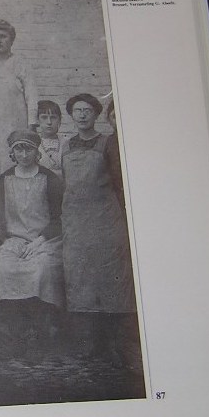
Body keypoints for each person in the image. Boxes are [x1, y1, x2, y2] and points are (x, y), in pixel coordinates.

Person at [61, 93, 135, 316]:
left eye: (87, 111)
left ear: (95, 115)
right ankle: (86, 336)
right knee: (79, 272)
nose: (82, 115)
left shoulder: (108, 143)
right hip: (75, 220)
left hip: (104, 218)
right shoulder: (66, 145)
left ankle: (114, 333)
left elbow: (118, 180)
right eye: (77, 111)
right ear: (72, 116)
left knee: (109, 271)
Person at [0, 130, 65, 313]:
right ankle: (15, 321)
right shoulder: (3, 179)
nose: (23, 155)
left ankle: (43, 320)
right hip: (13, 240)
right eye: (18, 150)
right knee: (4, 268)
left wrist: (40, 241)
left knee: (43, 269)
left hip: (45, 240)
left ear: (36, 151)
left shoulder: (50, 179)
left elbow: (58, 219)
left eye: (28, 150)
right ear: (12, 153)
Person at [0, 20, 39, 183]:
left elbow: (32, 96)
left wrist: (31, 127)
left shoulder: (21, 64)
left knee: (14, 165)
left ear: (11, 40)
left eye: (3, 36)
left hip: (15, 126)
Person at [36, 100, 64, 177]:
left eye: (53, 117)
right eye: (44, 117)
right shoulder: (34, 144)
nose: (49, 122)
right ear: (38, 120)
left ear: (59, 120)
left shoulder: (67, 143)